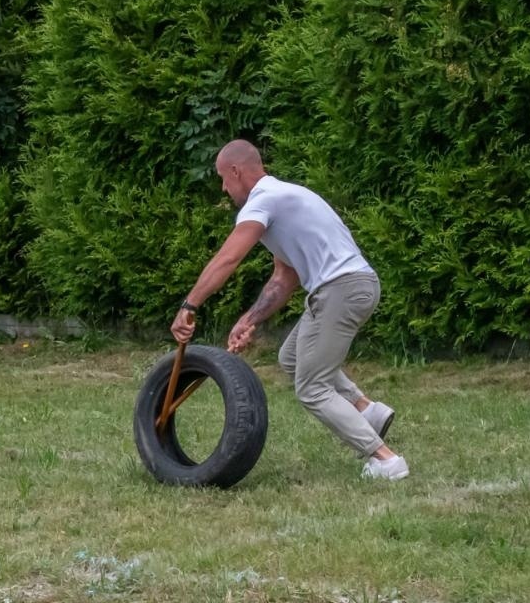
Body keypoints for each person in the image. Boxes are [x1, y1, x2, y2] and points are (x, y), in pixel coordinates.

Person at [170, 140, 408, 480]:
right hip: (350, 285)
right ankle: (366, 410)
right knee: (292, 357)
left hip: (340, 289)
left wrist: (189, 304)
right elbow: (284, 277)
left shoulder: (263, 200)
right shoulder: (287, 198)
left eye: (223, 178)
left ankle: (385, 459)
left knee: (312, 388)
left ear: (236, 171)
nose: (223, 188)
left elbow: (228, 258)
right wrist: (248, 320)